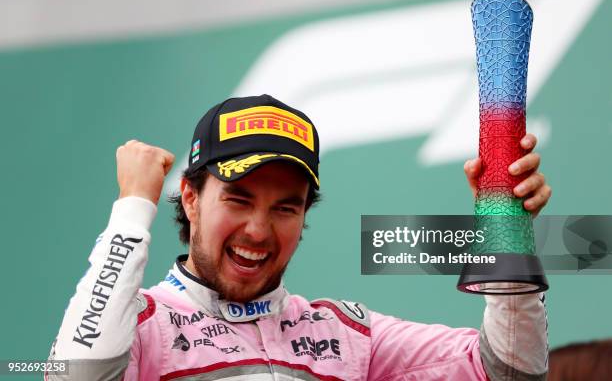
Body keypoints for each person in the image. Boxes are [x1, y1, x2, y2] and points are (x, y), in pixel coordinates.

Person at [47, 95, 551, 380]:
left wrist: (504, 221)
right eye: (239, 200)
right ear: (192, 198)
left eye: (285, 207)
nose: (259, 231)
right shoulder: (143, 326)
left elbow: (508, 372)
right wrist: (133, 210)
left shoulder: (347, 335)